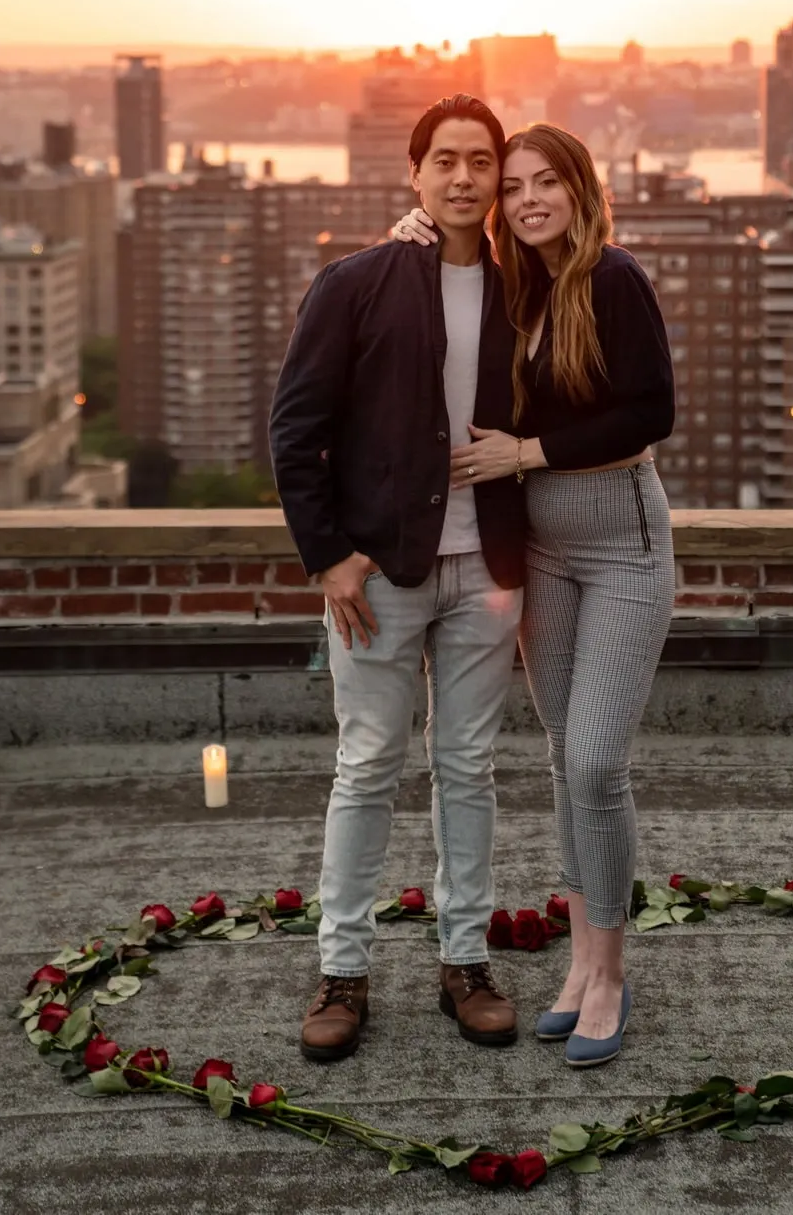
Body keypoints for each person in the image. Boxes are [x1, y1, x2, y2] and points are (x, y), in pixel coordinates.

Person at [394, 122, 675, 1067]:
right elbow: (449, 303)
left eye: (543, 181)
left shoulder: (613, 276)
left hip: (624, 547)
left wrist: (528, 452)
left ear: (581, 187)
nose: (525, 199)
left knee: (598, 762)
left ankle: (611, 970)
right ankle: (583, 966)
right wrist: (410, 240)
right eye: (512, 186)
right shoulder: (521, 286)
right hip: (544, 550)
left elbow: (652, 411)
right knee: (564, 759)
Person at [269, 93, 528, 1063]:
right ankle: (343, 971)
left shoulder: (522, 287)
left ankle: (466, 960)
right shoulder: (357, 283)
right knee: (368, 764)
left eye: (481, 161)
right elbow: (297, 430)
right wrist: (329, 553)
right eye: (445, 160)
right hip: (379, 573)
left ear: (499, 177)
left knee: (467, 765)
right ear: (415, 174)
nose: (464, 177)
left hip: (488, 570)